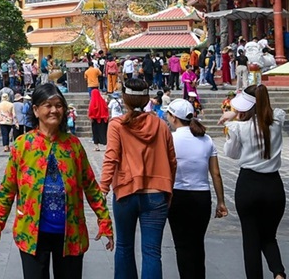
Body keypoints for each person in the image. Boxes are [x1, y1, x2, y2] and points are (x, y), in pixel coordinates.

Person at [0, 82, 113, 278]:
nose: (54, 110)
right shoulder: (22, 145)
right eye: (48, 105)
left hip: (69, 233)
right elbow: (7, 191)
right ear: (36, 110)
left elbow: (91, 186)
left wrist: (104, 219)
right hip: (32, 234)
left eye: (59, 105)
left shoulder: (73, 146)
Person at [100, 78, 177, 279]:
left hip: (125, 193)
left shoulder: (117, 125)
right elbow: (172, 160)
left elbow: (111, 157)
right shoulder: (161, 125)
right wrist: (168, 188)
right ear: (146, 99)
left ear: (124, 99)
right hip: (156, 193)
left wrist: (103, 188)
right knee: (152, 252)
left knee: (124, 247)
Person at [221, 84, 286, 279]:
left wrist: (231, 119)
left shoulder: (239, 128)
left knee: (251, 240)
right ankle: (278, 273)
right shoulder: (278, 120)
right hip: (273, 186)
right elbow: (272, 113)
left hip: (249, 185)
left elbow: (230, 153)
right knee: (268, 236)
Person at [164, 98, 227, 279]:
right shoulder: (206, 139)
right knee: (198, 244)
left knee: (182, 245)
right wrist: (221, 201)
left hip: (178, 196)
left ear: (174, 118)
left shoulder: (171, 138)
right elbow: (215, 173)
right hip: (202, 197)